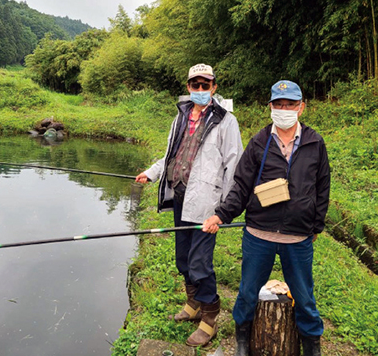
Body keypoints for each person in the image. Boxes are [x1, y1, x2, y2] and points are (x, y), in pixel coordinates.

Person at [203, 80, 330, 356]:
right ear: (270, 107)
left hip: (298, 236)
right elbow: (241, 185)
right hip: (259, 234)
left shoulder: (314, 142)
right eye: (279, 104)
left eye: (290, 105)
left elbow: (322, 188)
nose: (284, 109)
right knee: (247, 293)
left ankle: (312, 346)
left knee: (305, 299)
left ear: (301, 108)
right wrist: (221, 215)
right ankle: (242, 342)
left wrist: (316, 224)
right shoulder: (260, 141)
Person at [135, 63, 243, 347]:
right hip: (181, 198)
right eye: (195, 85)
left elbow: (234, 166)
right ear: (188, 87)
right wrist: (152, 172)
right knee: (182, 258)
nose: (199, 90)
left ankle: (209, 319)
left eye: (204, 85)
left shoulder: (226, 121)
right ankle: (193, 304)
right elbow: (171, 154)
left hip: (208, 205)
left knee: (199, 263)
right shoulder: (181, 116)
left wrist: (223, 211)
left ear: (214, 87)